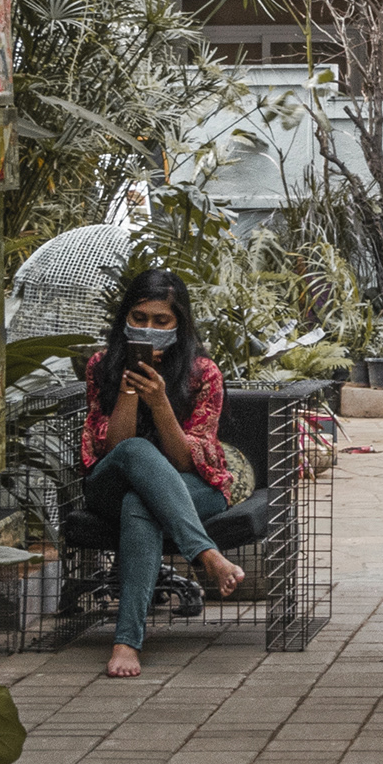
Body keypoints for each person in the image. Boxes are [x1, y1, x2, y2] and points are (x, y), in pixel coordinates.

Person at [80, 269, 244, 677]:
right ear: (125, 317)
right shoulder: (101, 366)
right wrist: (129, 390)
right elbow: (113, 448)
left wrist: (160, 403)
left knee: (141, 503)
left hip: (186, 484)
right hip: (111, 483)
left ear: (178, 324)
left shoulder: (202, 373)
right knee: (136, 450)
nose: (148, 328)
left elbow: (187, 462)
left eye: (161, 321)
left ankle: (126, 642)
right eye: (139, 318)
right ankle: (206, 554)